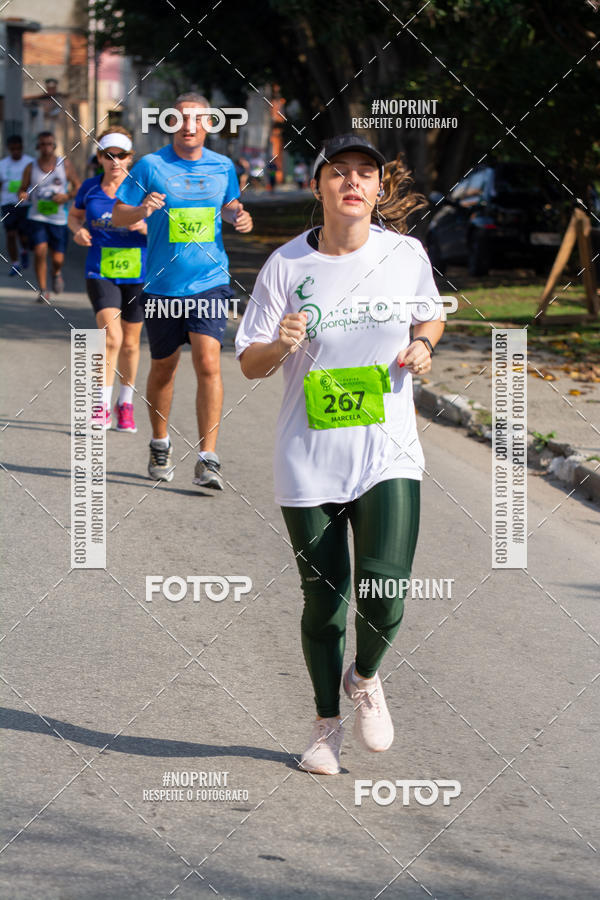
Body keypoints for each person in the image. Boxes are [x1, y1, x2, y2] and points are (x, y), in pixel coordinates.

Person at [235, 134, 444, 775]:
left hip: (388, 450)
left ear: (380, 189)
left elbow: (428, 317)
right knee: (323, 601)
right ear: (320, 186)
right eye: (339, 173)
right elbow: (249, 363)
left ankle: (365, 675)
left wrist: (424, 347)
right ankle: (326, 725)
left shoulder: (405, 254)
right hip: (309, 455)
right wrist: (280, 341)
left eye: (365, 174)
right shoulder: (286, 266)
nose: (352, 182)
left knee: (386, 589)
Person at [112, 93, 253, 487]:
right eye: (181, 120)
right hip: (161, 286)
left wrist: (241, 218)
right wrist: (142, 210)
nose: (189, 126)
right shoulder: (151, 166)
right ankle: (160, 443)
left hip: (210, 282)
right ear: (171, 123)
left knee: (209, 360)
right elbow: (118, 213)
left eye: (197, 120)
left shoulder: (223, 166)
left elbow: (231, 207)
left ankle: (208, 457)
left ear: (209, 125)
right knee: (164, 367)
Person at [68, 126, 147, 432]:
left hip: (138, 274)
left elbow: (169, 232)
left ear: (131, 158)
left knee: (130, 343)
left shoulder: (142, 189)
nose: (115, 161)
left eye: (121, 155)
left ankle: (124, 404)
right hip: (100, 271)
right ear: (99, 157)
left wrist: (146, 230)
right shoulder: (89, 188)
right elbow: (74, 217)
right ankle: (100, 406)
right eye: (108, 155)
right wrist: (78, 231)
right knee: (111, 338)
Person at [18, 132, 81, 303]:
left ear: (54, 146)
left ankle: (56, 273)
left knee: (57, 258)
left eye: (49, 144)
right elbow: (22, 189)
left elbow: (78, 186)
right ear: (38, 147)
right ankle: (43, 290)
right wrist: (23, 194)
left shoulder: (64, 165)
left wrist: (66, 196)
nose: (46, 148)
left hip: (59, 218)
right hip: (37, 217)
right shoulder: (31, 167)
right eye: (43, 144)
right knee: (39, 252)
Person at [0, 135, 33, 276]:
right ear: (9, 149)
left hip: (25, 204)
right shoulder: (2, 164)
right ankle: (15, 263)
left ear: (22, 148)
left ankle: (24, 251)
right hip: (7, 203)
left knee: (24, 234)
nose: (15, 152)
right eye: (12, 149)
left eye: (18, 149)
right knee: (10, 234)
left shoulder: (30, 162)